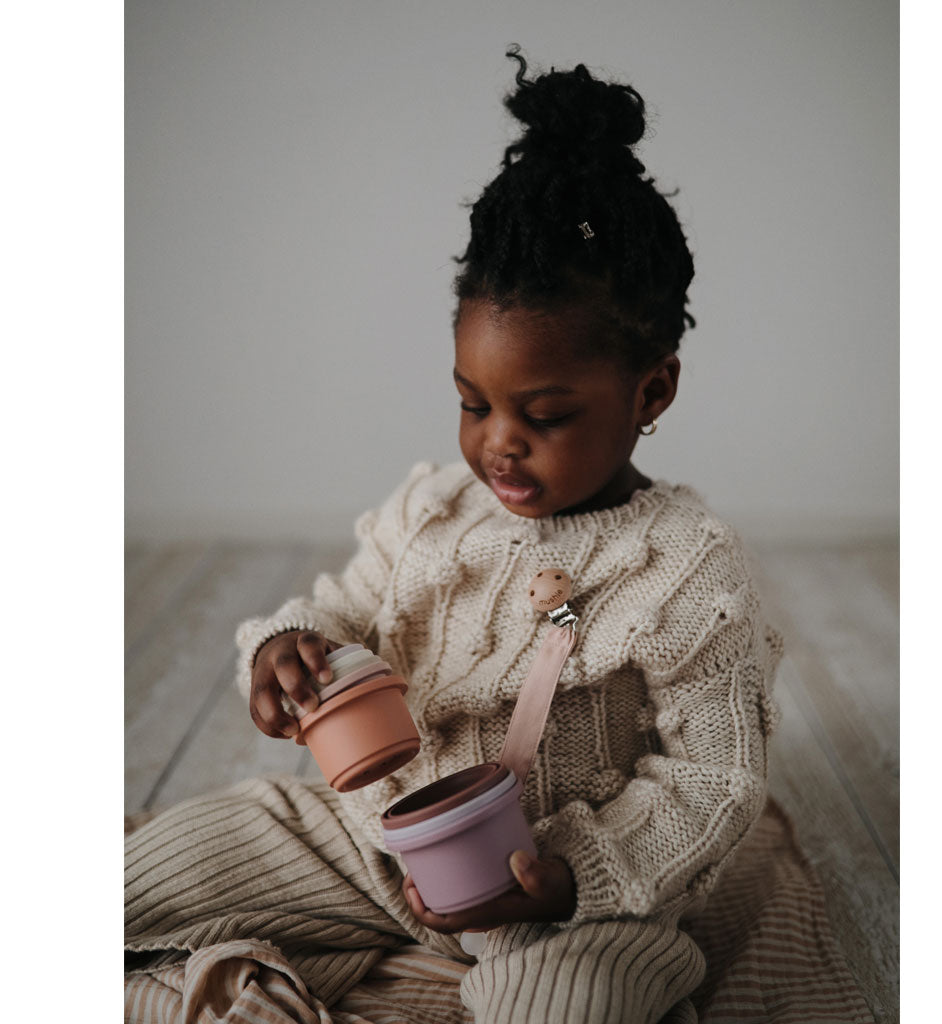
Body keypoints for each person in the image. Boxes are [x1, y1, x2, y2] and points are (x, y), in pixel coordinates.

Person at [125, 48, 782, 1024]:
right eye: (472, 403)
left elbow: (714, 779)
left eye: (545, 414)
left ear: (652, 389)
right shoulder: (432, 508)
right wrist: (287, 650)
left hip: (557, 891)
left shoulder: (690, 567)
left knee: (570, 1002)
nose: (498, 443)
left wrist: (572, 876)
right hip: (367, 840)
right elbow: (344, 610)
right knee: (127, 876)